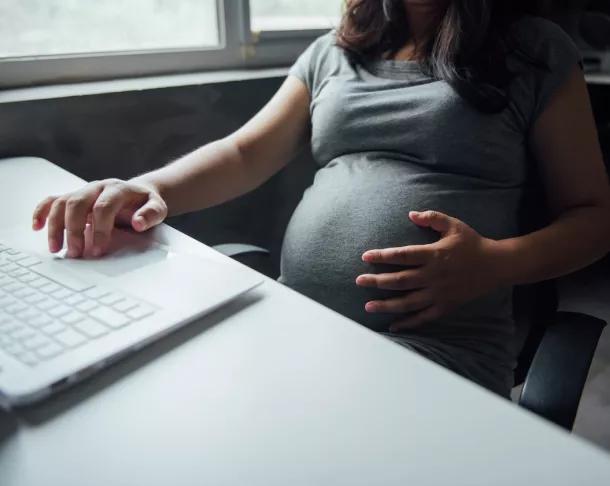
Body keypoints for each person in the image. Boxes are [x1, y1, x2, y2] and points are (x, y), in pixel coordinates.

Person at [32, 0, 610, 397]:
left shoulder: (535, 52)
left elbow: (594, 217)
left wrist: (494, 264)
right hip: (299, 333)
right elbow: (243, 153)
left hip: (435, 351)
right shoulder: (335, 50)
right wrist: (151, 187)